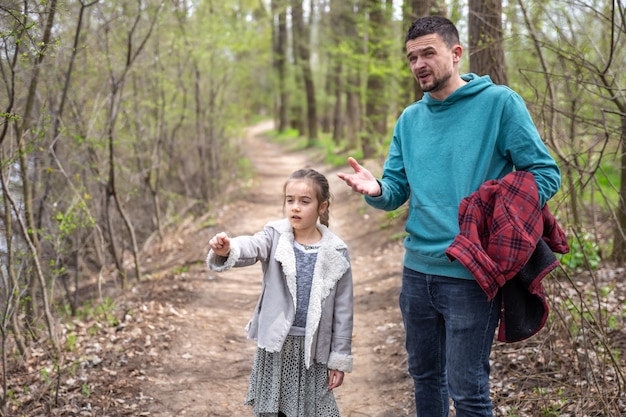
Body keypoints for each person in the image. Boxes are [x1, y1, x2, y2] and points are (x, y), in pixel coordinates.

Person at [337, 16, 561, 417]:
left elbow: (545, 173)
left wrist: (502, 208)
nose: (419, 64)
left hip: (471, 274)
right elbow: (396, 190)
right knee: (425, 378)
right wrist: (377, 191)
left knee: (468, 389)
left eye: (428, 53)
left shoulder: (499, 104)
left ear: (455, 54)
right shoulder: (409, 120)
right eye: (411, 58)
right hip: (416, 273)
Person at [207, 168, 354, 417]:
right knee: (275, 411)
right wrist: (229, 247)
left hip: (313, 350)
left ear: (322, 207)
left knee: (315, 410)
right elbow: (251, 246)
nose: (295, 207)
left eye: (304, 201)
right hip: (277, 345)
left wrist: (339, 358)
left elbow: (344, 311)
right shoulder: (275, 237)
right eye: (290, 200)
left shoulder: (336, 252)